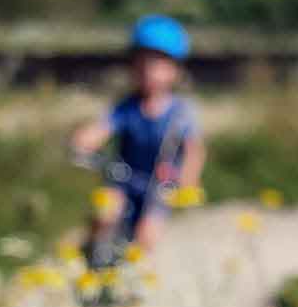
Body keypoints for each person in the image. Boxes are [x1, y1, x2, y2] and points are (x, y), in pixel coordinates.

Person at [69, 15, 206, 255]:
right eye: (140, 63)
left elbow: (194, 149)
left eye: (156, 64)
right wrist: (84, 139)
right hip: (123, 179)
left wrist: (189, 179)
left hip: (160, 187)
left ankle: (133, 279)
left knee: (147, 236)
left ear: (175, 70)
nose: (147, 71)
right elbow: (102, 127)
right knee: (105, 211)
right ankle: (90, 254)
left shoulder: (181, 113)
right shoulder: (126, 107)